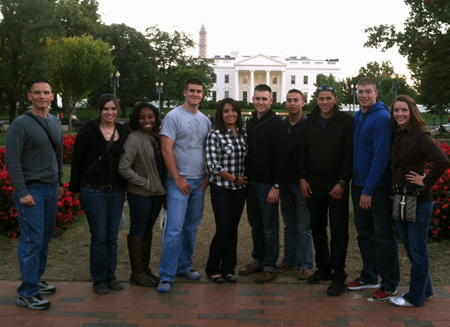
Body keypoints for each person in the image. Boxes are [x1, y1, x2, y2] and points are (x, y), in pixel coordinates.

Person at [5, 79, 64, 310]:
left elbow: (57, 154)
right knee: (32, 240)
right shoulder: (20, 124)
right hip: (32, 191)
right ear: (29, 96)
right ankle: (27, 293)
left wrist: (59, 181)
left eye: (46, 92)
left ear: (52, 96)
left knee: (44, 237)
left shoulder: (56, 122)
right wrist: (22, 192)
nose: (42, 96)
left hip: (50, 188)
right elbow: (12, 161)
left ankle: (36, 280)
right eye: (37, 92)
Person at [388, 95, 448, 307]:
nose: (400, 114)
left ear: (412, 111)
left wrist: (426, 181)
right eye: (396, 110)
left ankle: (415, 297)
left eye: (404, 110)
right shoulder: (398, 134)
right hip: (400, 198)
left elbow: (442, 160)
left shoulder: (420, 136)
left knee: (417, 249)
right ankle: (427, 289)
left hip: (418, 199)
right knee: (410, 247)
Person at [69, 94, 130, 295]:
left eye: (113, 109)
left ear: (117, 110)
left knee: (112, 236)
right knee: (99, 236)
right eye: (106, 109)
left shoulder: (123, 130)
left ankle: (111, 276)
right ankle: (99, 280)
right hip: (93, 190)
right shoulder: (88, 130)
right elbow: (77, 160)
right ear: (99, 110)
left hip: (116, 191)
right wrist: (75, 190)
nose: (110, 112)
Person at [347, 77, 400, 301]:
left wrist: (368, 190)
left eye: (368, 91)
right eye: (360, 91)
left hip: (377, 187)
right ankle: (369, 275)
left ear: (376, 93)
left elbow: (381, 157)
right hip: (359, 184)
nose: (364, 95)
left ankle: (389, 283)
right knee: (365, 234)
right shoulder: (358, 116)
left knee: (383, 236)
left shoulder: (381, 117)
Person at [157, 78, 211, 293]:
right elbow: (166, 149)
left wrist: (208, 173)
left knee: (191, 228)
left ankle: (184, 266)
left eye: (199, 91)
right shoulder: (173, 116)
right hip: (179, 182)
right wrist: (178, 178)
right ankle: (166, 274)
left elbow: (206, 150)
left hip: (199, 182)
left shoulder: (205, 120)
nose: (195, 94)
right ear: (185, 92)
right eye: (192, 91)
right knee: (174, 229)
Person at [299, 85, 353, 296]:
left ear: (335, 99)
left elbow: (349, 153)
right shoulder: (310, 122)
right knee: (317, 228)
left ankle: (338, 276)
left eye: (328, 98)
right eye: (321, 98)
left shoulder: (346, 121)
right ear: (317, 99)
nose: (324, 102)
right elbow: (302, 152)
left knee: (338, 231)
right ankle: (323, 268)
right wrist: (302, 178)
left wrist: (342, 181)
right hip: (314, 183)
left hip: (336, 183)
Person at [239, 84, 289, 283]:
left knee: (269, 226)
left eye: (264, 99)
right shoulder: (251, 123)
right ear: (253, 99)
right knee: (255, 224)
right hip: (251, 182)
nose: (260, 102)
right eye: (257, 98)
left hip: (268, 184)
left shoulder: (277, 124)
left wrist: (276, 185)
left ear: (271, 101)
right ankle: (257, 260)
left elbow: (283, 156)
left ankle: (270, 265)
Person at [119, 103, 165, 287]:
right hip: (140, 194)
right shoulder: (134, 139)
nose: (147, 120)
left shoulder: (157, 138)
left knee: (147, 231)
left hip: (157, 193)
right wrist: (144, 182)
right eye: (142, 117)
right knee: (138, 231)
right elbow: (124, 167)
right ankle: (137, 273)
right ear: (136, 120)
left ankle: (145, 269)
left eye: (150, 116)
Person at [205, 98, 248, 283]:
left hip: (239, 190)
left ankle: (229, 269)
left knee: (233, 229)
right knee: (223, 229)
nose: (230, 114)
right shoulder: (214, 135)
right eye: (226, 111)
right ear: (220, 114)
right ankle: (213, 268)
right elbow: (212, 164)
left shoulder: (243, 135)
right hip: (222, 188)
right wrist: (234, 179)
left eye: (233, 110)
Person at [277, 89, 313, 280]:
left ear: (303, 102)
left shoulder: (308, 126)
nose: (292, 103)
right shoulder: (281, 126)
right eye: (289, 100)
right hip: (284, 183)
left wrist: (305, 179)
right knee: (289, 225)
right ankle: (289, 260)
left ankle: (305, 264)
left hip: (302, 184)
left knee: (303, 226)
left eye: (296, 100)